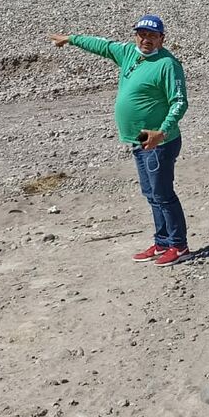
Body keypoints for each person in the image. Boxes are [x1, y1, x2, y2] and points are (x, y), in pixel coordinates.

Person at [48, 15, 190, 266]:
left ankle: (179, 246)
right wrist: (71, 39)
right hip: (138, 139)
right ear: (136, 36)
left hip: (159, 141)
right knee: (151, 193)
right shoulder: (128, 53)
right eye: (142, 34)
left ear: (162, 38)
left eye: (152, 35)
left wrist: (162, 132)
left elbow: (179, 102)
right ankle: (162, 242)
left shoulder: (168, 64)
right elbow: (102, 45)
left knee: (163, 194)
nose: (146, 40)